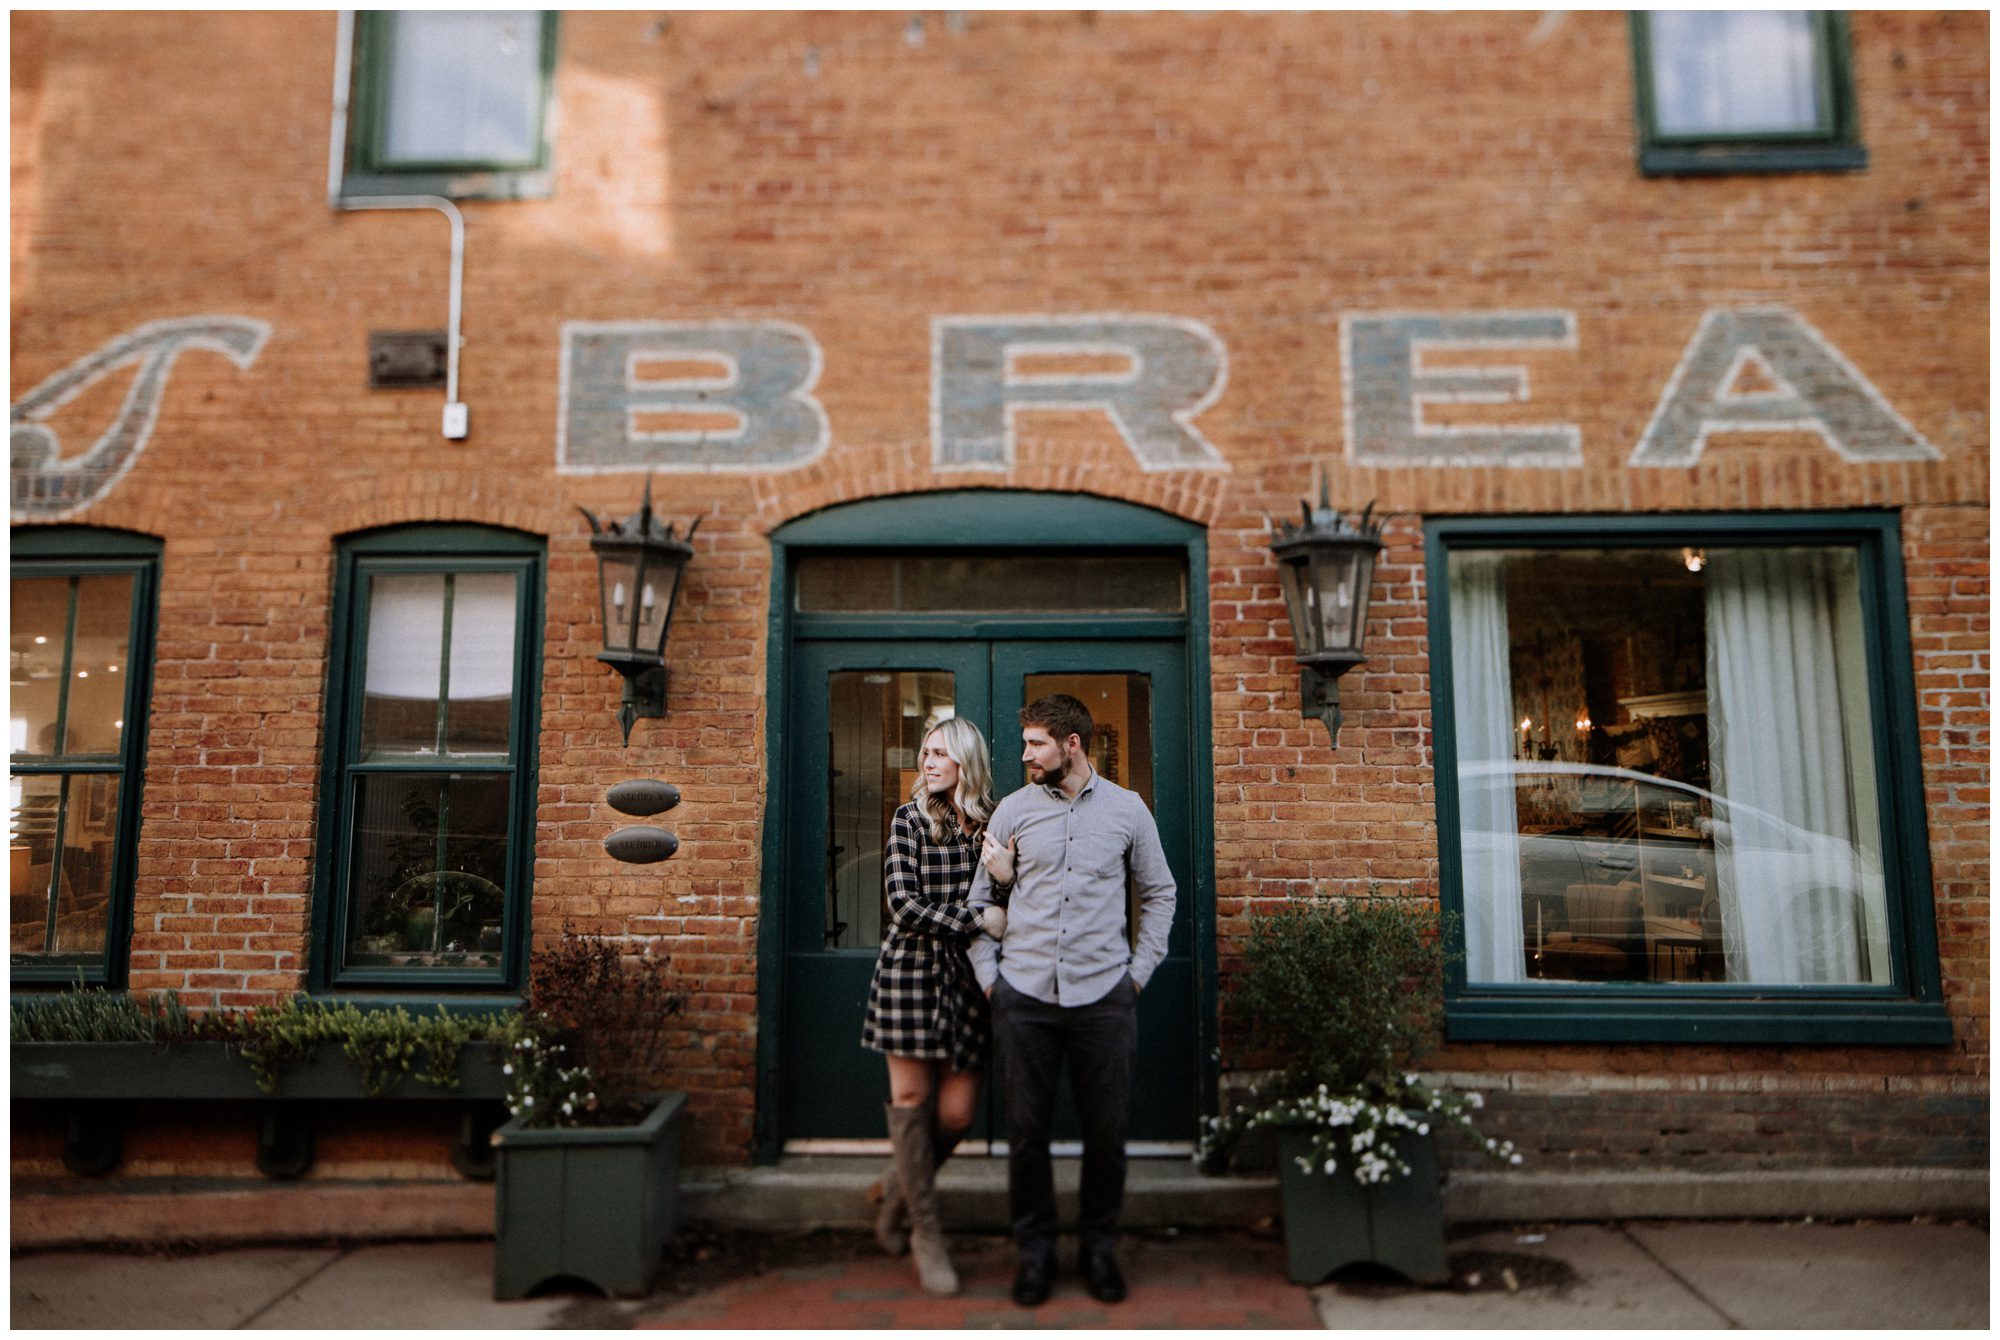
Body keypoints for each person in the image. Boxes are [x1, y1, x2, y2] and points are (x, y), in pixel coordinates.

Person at [967, 693, 1176, 1307]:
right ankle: (1034, 1258)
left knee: (1106, 1133)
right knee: (1027, 1135)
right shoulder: (1012, 811)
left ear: (1072, 744)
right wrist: (990, 980)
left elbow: (1159, 894)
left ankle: (1099, 1251)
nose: (1026, 755)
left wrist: (1135, 974)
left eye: (1035, 744)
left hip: (1103, 995)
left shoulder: (1127, 811)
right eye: (1027, 743)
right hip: (1023, 996)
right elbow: (980, 903)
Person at [858, 714, 1007, 1296]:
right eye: (925, 751)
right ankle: (926, 1233)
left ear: (965, 761)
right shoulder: (908, 819)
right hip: (909, 974)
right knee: (912, 1100)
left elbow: (1009, 894)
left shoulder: (994, 822)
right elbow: (902, 904)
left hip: (969, 979)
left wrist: (1007, 879)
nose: (928, 761)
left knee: (956, 1116)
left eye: (941, 752)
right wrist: (977, 918)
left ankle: (898, 1186)